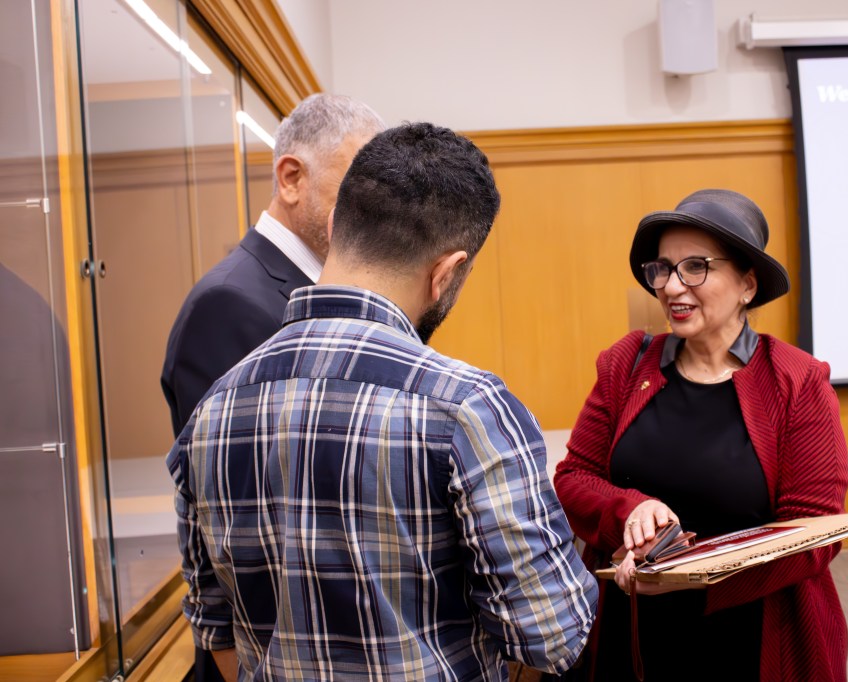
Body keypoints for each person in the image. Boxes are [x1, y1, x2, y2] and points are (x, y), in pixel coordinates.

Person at [167, 122, 598, 681]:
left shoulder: (213, 411)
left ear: (333, 226)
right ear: (446, 273)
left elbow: (217, 635)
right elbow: (554, 635)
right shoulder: (467, 408)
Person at [554, 189, 848, 681]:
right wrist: (630, 509)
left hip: (751, 636)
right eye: (663, 269)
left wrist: (691, 575)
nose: (672, 286)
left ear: (747, 285)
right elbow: (573, 478)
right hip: (636, 631)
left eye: (696, 267)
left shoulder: (797, 381)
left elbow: (815, 533)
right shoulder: (626, 365)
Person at [161, 93, 386, 437]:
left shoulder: (327, 286)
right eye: (358, 191)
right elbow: (231, 461)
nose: (373, 213)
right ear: (291, 179)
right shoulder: (226, 305)